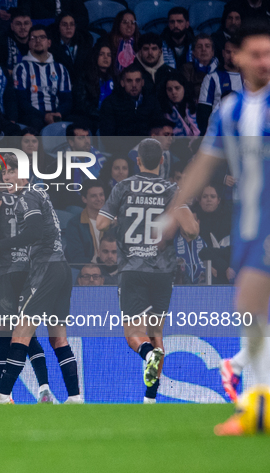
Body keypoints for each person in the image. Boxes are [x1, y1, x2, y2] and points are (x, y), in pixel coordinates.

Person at [165, 22, 270, 434]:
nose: (264, 61)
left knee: (253, 306)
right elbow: (205, 163)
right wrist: (175, 209)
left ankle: (250, 389)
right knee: (250, 309)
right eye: (257, 53)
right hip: (250, 224)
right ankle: (256, 404)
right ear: (237, 58)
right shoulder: (231, 110)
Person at [97, 138, 199, 404]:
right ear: (162, 161)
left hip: (132, 269)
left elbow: (100, 222)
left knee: (135, 335)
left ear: (137, 160)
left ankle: (146, 355)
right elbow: (191, 231)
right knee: (156, 333)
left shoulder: (123, 187)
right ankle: (151, 398)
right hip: (163, 271)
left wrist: (120, 218)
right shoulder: (171, 189)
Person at [0, 153, 82, 405]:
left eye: (12, 172)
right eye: (4, 173)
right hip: (61, 267)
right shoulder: (39, 193)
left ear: (24, 174)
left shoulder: (27, 196)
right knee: (58, 336)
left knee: (21, 334)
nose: (6, 177)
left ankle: (3, 395)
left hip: (44, 268)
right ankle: (75, 397)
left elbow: (35, 231)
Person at [0, 158, 54, 403]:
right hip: (32, 273)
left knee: (3, 336)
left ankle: (3, 396)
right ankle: (44, 388)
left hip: (5, 274)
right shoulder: (36, 197)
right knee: (27, 334)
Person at [13, 24, 72, 129]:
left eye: (42, 37)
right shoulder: (21, 68)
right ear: (29, 43)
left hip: (56, 115)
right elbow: (21, 101)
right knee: (36, 124)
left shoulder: (61, 69)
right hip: (32, 117)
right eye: (33, 38)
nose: (38, 40)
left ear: (49, 43)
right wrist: (44, 116)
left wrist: (58, 114)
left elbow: (67, 100)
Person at [99, 64, 162, 138]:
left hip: (147, 147)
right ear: (122, 83)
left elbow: (158, 130)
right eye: (129, 81)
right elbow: (107, 137)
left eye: (137, 80)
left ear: (142, 82)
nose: (134, 85)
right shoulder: (110, 103)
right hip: (119, 148)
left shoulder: (152, 102)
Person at [197, 39, 242, 133]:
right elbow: (203, 112)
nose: (232, 56)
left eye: (236, 52)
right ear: (223, 53)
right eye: (228, 52)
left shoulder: (250, 79)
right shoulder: (211, 78)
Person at [71, 40, 115, 135]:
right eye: (102, 54)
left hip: (109, 118)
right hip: (91, 119)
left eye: (109, 55)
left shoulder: (115, 79)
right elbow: (81, 104)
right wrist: (101, 115)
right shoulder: (85, 77)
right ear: (95, 56)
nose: (105, 58)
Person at [64, 180, 106, 268]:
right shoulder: (74, 224)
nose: (99, 199)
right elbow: (76, 258)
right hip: (86, 272)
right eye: (94, 196)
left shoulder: (113, 222)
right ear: (84, 199)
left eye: (101, 195)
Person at [49, 11, 92, 82]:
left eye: (72, 24)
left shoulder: (84, 44)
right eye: (64, 24)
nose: (68, 27)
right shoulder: (51, 47)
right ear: (58, 27)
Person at [0, 8, 31, 75]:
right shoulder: (1, 41)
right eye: (18, 24)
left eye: (26, 23)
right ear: (12, 26)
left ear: (31, 25)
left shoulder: (38, 41)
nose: (23, 27)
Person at [181, 34, 218, 101]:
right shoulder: (187, 69)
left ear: (212, 52)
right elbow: (187, 93)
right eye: (199, 47)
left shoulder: (220, 68)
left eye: (207, 46)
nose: (203, 49)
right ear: (193, 52)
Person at [108, 9, 139, 74]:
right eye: (125, 22)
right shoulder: (107, 41)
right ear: (118, 24)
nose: (129, 26)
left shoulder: (140, 42)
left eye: (132, 22)